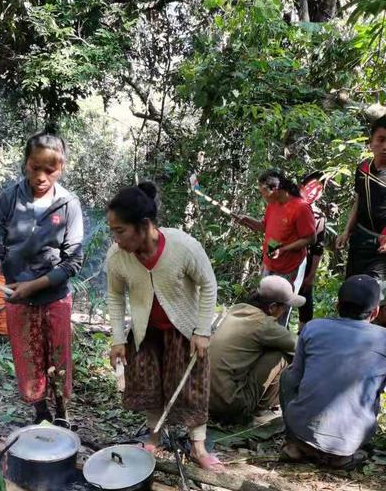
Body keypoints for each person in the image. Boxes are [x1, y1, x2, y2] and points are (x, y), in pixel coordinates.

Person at [106, 182, 221, 470]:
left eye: (120, 231)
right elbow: (115, 295)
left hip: (185, 332)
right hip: (146, 332)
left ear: (143, 225)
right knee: (150, 386)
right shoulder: (117, 256)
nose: (116, 239)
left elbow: (208, 285)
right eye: (113, 232)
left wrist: (202, 330)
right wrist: (118, 339)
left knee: (192, 388)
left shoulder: (183, 247)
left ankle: (198, 447)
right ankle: (154, 438)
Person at [0, 132, 83, 423]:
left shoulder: (68, 205)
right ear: (25, 163)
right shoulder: (8, 200)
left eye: (50, 170)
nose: (41, 176)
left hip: (54, 297)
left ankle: (62, 412)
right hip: (18, 298)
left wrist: (33, 286)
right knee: (28, 360)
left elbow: (73, 262)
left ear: (61, 167)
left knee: (58, 357)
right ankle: (40, 412)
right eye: (35, 167)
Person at [280, 275, 386, 469]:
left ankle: (294, 445)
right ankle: (342, 457)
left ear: (338, 305)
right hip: (350, 442)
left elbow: (295, 378)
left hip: (303, 431)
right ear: (375, 312)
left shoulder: (314, 327)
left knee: (288, 375)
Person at [209, 276, 302, 425]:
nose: (285, 312)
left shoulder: (236, 310)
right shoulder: (264, 325)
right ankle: (259, 411)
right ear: (272, 307)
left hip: (203, 398)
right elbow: (301, 347)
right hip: (229, 405)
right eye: (284, 308)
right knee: (280, 356)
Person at [237, 169, 316, 323]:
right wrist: (247, 220)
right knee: (263, 306)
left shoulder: (300, 208)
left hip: (290, 267)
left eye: (263, 192)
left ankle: (277, 340)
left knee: (280, 310)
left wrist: (284, 249)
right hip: (270, 262)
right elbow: (264, 227)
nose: (262, 196)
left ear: (275, 189)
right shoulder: (273, 204)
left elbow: (310, 238)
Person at [336, 116, 386, 280]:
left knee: (373, 291)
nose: (385, 146)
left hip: (382, 244)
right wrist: (346, 231)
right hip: (360, 239)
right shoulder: (363, 168)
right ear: (371, 141)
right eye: (381, 139)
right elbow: (359, 201)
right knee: (351, 287)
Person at [298, 172, 327, 331]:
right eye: (312, 187)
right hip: (283, 265)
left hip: (305, 267)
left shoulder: (318, 216)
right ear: (301, 187)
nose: (315, 192)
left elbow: (318, 248)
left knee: (305, 305)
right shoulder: (287, 207)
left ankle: (301, 342)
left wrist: (311, 276)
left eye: (320, 189)